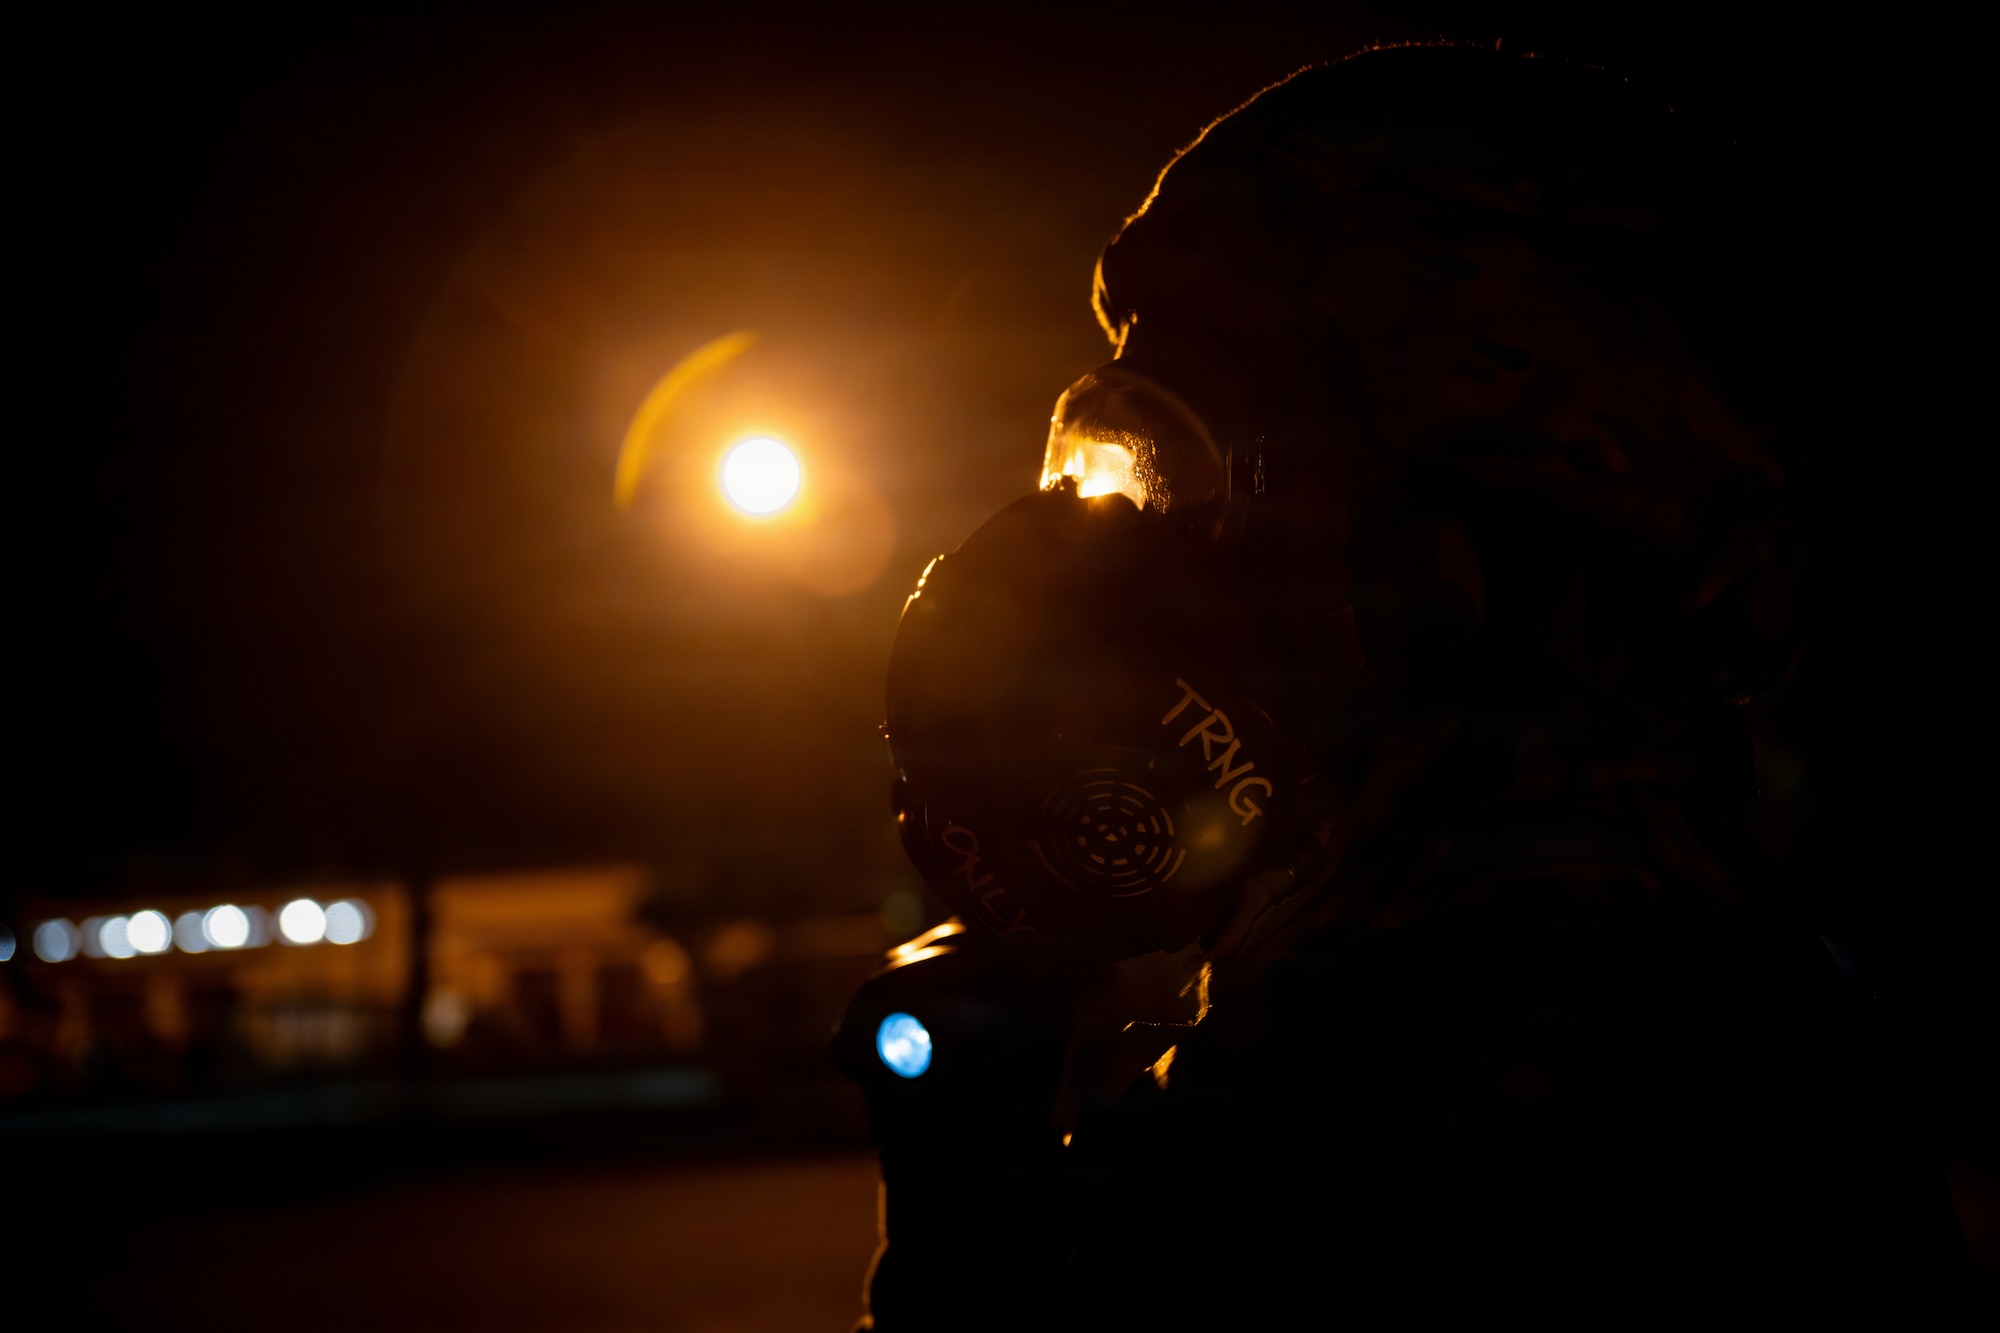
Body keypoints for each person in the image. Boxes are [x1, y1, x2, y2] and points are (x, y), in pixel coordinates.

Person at [835, 45, 1981, 1329]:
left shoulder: (1484, 1079)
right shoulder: (1554, 976)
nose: (1093, 538)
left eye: (1176, 466)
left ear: (1484, 521)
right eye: (1101, 455)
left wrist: (966, 1215)